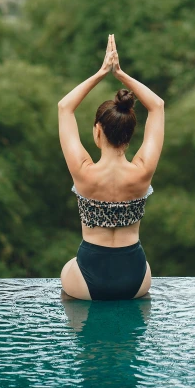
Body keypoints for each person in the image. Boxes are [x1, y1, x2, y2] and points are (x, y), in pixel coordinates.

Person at [59, 34, 165, 300]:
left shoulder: (83, 171)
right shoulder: (142, 171)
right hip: (136, 277)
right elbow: (157, 106)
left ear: (97, 132)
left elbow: (64, 108)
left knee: (67, 273)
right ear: (129, 135)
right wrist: (121, 75)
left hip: (87, 279)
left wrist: (101, 72)